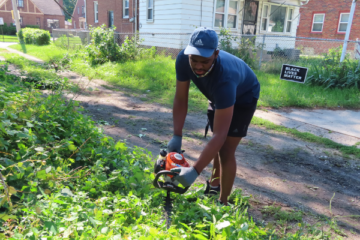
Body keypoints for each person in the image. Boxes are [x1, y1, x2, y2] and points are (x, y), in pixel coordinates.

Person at [167, 27, 260, 205]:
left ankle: (222, 202)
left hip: (244, 96)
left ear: (216, 54)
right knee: (215, 144)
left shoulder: (225, 78)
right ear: (188, 53)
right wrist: (177, 135)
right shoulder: (182, 60)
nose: (198, 66)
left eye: (205, 61)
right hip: (218, 95)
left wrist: (194, 171)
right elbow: (180, 99)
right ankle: (214, 185)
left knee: (225, 149)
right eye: (194, 60)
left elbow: (220, 135)